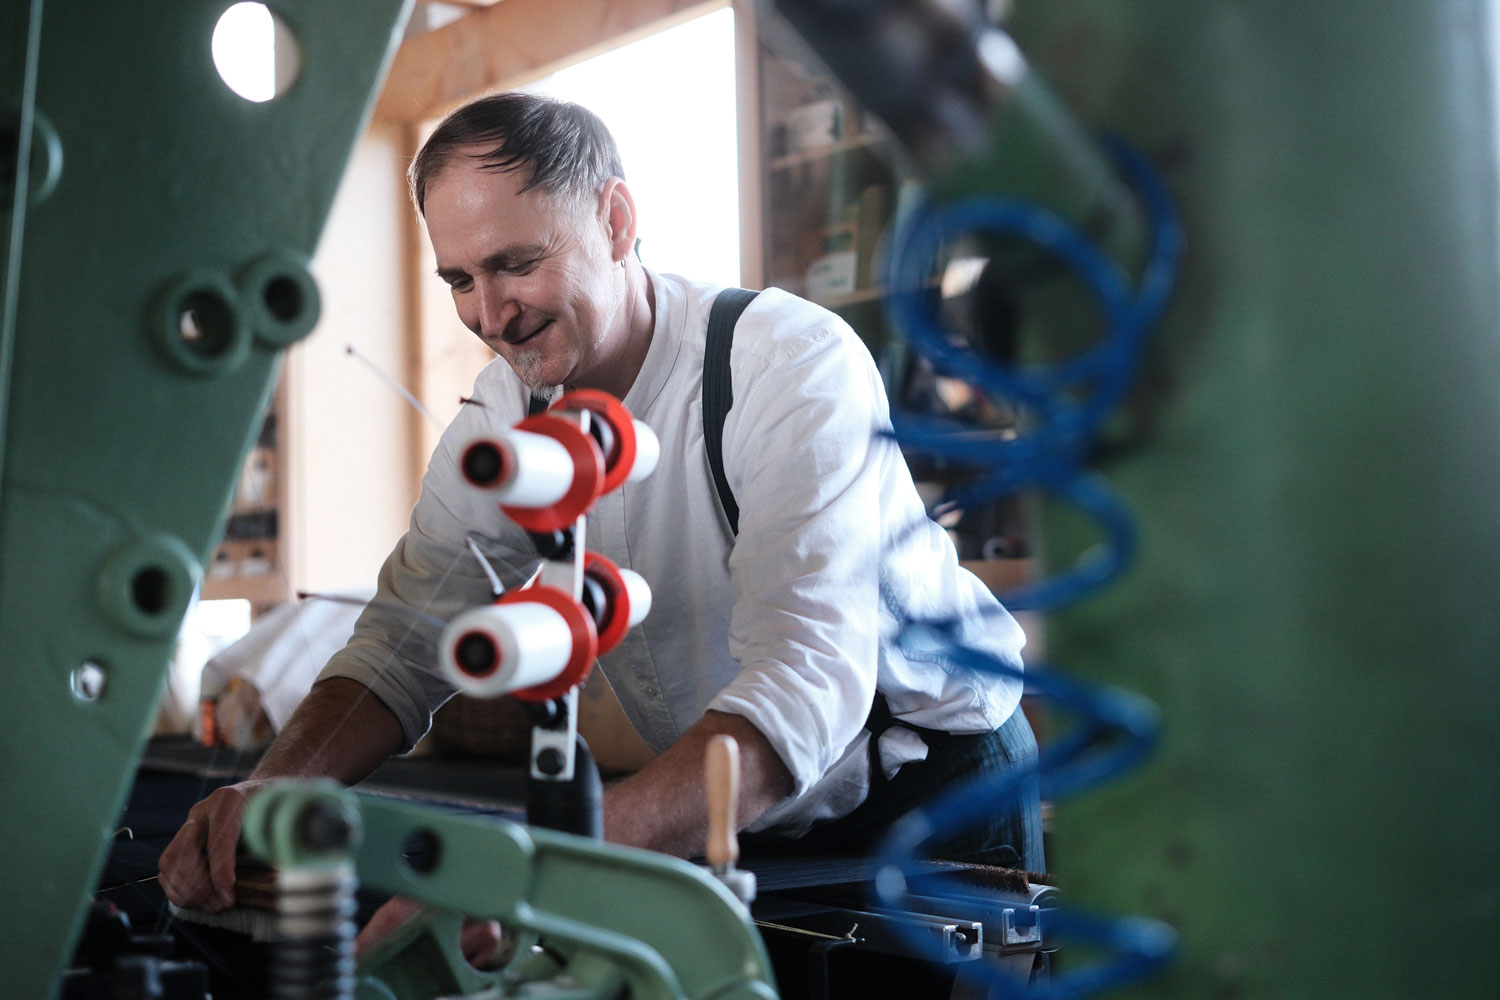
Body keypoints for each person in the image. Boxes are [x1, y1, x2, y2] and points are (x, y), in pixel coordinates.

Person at [159, 92, 1042, 934]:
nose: (489, 315)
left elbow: (804, 681)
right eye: (460, 278)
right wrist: (269, 788)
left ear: (616, 222)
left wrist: (537, 876)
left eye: (515, 263)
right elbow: (405, 635)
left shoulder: (785, 362)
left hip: (934, 792)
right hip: (741, 814)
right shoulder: (509, 410)